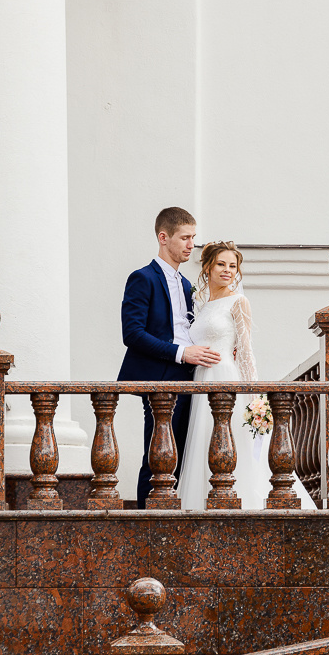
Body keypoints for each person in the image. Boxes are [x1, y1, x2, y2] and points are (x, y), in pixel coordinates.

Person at [178, 241, 316, 511]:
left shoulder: (239, 302)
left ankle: (244, 505)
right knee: (203, 444)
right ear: (207, 267)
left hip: (226, 378)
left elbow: (245, 352)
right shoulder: (202, 305)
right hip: (201, 382)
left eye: (233, 266)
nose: (227, 270)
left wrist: (256, 399)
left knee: (234, 444)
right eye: (221, 264)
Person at [119, 207, 221, 508]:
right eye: (185, 237)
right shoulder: (142, 278)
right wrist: (181, 353)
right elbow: (133, 334)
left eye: (193, 237)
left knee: (185, 455)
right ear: (164, 238)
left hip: (191, 378)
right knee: (158, 457)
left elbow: (193, 330)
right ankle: (144, 522)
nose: (191, 244)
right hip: (159, 378)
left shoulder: (187, 285)